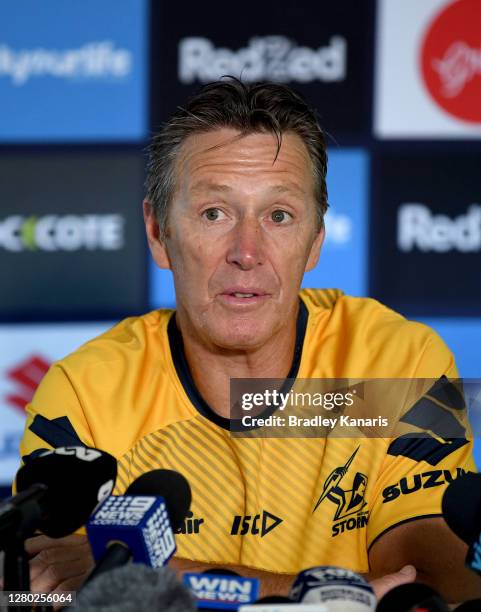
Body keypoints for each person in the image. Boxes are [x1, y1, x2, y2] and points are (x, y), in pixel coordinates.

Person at [17, 79, 481, 602]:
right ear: (157, 232)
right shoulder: (83, 393)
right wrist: (334, 600)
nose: (247, 251)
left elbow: (427, 590)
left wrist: (161, 573)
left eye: (278, 215)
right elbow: (49, 590)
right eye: (214, 213)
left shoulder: (399, 363)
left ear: (315, 242)